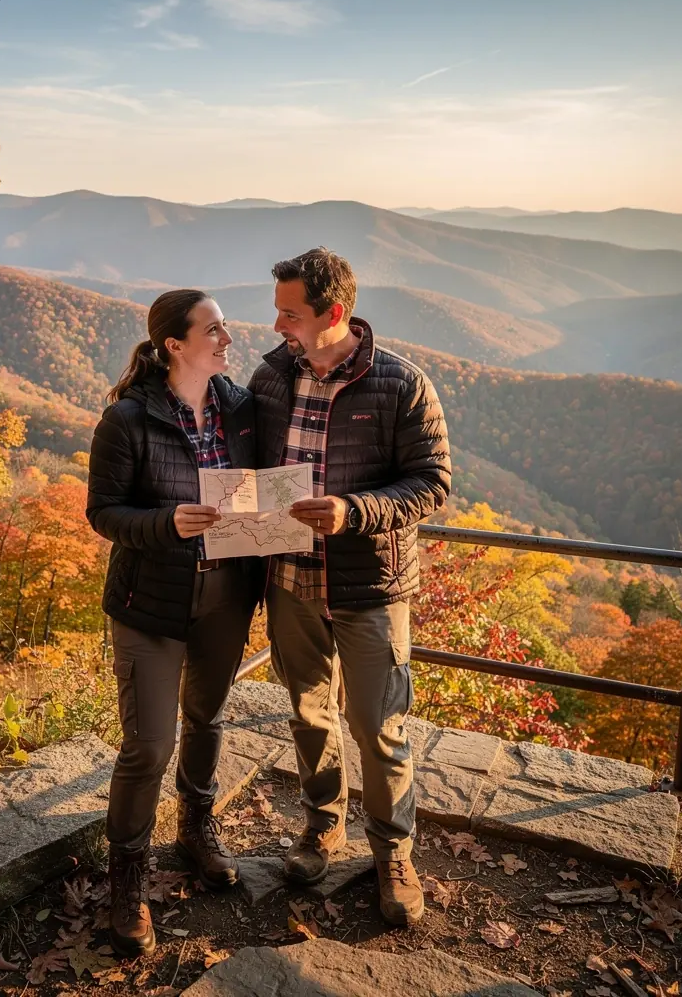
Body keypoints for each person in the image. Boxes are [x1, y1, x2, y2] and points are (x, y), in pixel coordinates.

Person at [248, 247, 451, 926]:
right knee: (308, 714)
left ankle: (393, 853)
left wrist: (353, 512)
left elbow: (432, 484)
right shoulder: (273, 378)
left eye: (290, 314)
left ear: (333, 314)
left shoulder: (401, 385)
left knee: (378, 727)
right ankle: (322, 825)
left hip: (371, 586)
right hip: (289, 580)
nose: (278, 326)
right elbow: (247, 466)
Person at [86, 289, 258, 958]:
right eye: (214, 330)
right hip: (150, 604)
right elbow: (103, 513)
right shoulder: (127, 420)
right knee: (149, 745)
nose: (227, 339)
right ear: (175, 346)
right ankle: (126, 883)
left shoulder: (241, 409)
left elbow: (264, 484)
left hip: (226, 595)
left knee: (209, 719)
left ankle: (195, 830)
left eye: (226, 328)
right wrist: (166, 523)